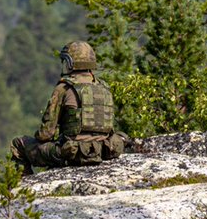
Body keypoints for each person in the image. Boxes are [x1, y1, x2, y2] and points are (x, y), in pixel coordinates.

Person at [10, 41, 128, 174]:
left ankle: (25, 184)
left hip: (71, 154)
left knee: (18, 144)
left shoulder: (63, 88)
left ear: (71, 63)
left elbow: (45, 134)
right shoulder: (104, 87)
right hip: (103, 151)